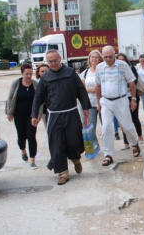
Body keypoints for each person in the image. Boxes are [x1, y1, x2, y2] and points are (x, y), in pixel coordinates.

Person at [31, 50, 91, 185]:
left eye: (55, 60)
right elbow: (38, 97)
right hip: (54, 116)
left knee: (73, 141)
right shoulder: (45, 78)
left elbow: (81, 90)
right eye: (50, 61)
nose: (53, 63)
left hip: (71, 113)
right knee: (57, 144)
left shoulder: (70, 73)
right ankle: (63, 173)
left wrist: (86, 107)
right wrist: (35, 114)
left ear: (60, 59)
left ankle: (75, 159)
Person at [95, 46, 141, 166]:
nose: (108, 59)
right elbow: (98, 86)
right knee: (106, 128)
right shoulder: (99, 68)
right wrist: (98, 102)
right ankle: (108, 155)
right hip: (106, 101)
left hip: (121, 100)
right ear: (102, 56)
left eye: (110, 56)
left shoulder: (123, 65)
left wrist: (134, 99)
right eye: (105, 57)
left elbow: (131, 82)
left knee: (127, 127)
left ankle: (134, 143)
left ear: (114, 54)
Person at [6, 63, 39, 169]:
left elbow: (40, 100)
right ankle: (23, 150)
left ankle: (32, 159)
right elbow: (10, 98)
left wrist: (38, 113)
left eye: (30, 74)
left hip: (31, 115)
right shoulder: (16, 83)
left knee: (31, 136)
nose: (29, 76)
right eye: (26, 74)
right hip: (19, 114)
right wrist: (10, 113)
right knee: (21, 137)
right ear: (22, 73)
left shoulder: (35, 84)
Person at [117, 53, 144, 147]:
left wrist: (129, 87)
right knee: (124, 119)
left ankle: (140, 136)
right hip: (121, 98)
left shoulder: (131, 68)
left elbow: (135, 81)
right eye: (119, 59)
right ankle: (126, 142)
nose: (121, 61)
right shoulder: (115, 70)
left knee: (134, 118)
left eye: (123, 59)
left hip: (132, 96)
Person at [80, 50, 103, 131]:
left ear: (100, 59)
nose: (94, 59)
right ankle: (93, 143)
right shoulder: (85, 73)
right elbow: (80, 89)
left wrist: (98, 89)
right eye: (92, 57)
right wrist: (88, 89)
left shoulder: (103, 71)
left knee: (106, 127)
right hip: (90, 103)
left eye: (96, 57)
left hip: (102, 102)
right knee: (91, 127)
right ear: (89, 59)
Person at [36, 63, 50, 128]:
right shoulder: (36, 83)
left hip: (55, 107)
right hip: (44, 108)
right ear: (38, 73)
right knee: (47, 127)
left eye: (46, 71)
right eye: (42, 71)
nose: (44, 73)